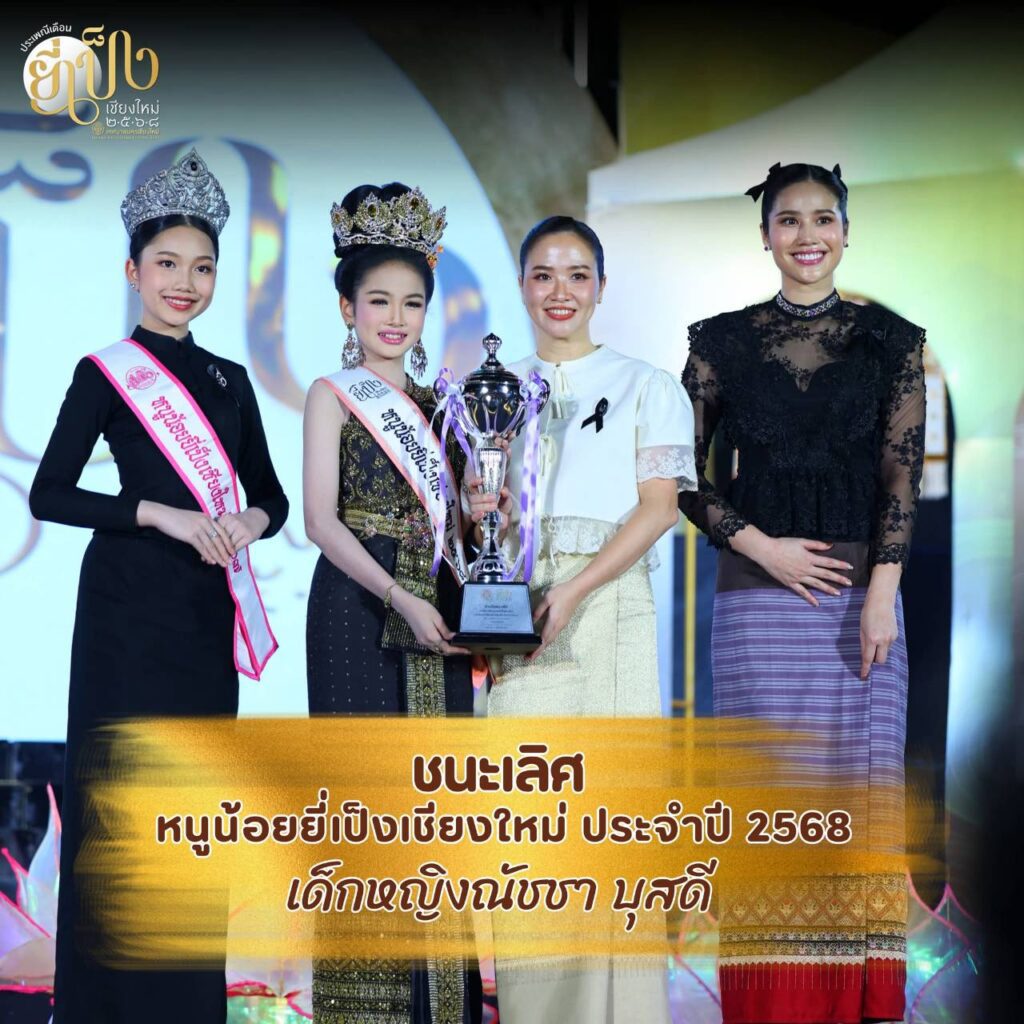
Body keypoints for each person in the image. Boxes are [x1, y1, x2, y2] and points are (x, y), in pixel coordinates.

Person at [29, 148, 288, 1023]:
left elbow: (274, 498)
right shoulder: (104, 373)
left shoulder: (231, 381)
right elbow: (49, 494)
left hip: (201, 617)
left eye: (202, 267)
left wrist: (247, 523)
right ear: (132, 271)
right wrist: (158, 514)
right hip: (123, 613)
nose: (185, 282)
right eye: (167, 264)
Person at [678, 161, 925, 1024]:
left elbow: (900, 477)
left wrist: (881, 591)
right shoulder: (720, 343)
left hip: (863, 604)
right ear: (765, 236)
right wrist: (762, 547)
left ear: (846, 232)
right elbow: (679, 473)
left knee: (859, 806)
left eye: (824, 219)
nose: (807, 235)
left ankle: (856, 1001)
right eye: (789, 220)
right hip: (756, 602)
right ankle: (774, 1003)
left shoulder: (891, 341)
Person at [474, 216, 696, 1023]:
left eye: (576, 275)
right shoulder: (491, 390)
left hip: (610, 612)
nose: (559, 292)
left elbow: (659, 508)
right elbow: (479, 523)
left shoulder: (646, 384)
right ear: (522, 286)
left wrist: (574, 590)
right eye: (543, 275)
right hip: (523, 620)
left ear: (601, 286)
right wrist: (484, 514)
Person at [303, 182, 480, 1023]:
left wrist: (484, 512)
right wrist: (397, 599)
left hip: (434, 603)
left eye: (412, 302)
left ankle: (442, 1009)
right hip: (355, 603)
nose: (396, 318)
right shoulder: (332, 394)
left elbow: (465, 533)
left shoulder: (446, 405)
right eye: (379, 300)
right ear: (349, 307)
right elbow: (320, 521)